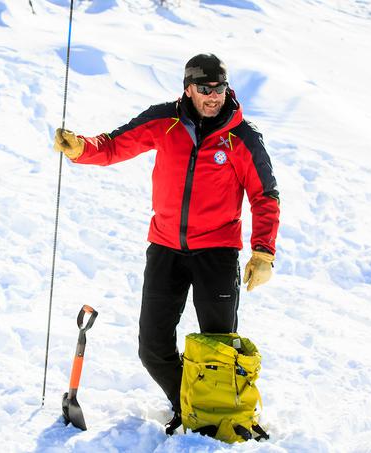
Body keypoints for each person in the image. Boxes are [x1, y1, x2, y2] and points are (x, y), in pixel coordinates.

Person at [53, 53, 280, 435]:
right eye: (205, 89)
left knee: (219, 349)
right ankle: (190, 406)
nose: (213, 96)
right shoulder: (165, 121)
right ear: (188, 88)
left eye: (219, 88)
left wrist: (263, 251)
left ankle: (217, 411)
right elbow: (113, 145)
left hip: (218, 254)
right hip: (165, 250)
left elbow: (265, 196)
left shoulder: (241, 137)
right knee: (152, 346)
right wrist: (80, 148)